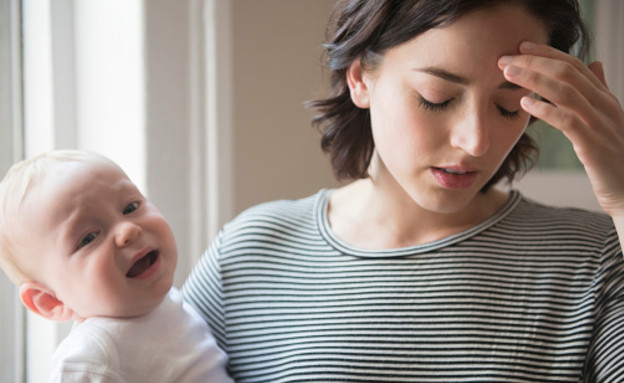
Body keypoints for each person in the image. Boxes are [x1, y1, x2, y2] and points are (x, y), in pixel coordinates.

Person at [182, 0, 624, 381]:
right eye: (436, 97)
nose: (476, 142)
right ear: (360, 78)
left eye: (509, 106)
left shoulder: (594, 257)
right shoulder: (248, 256)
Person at [0, 150, 233, 383]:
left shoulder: (164, 301)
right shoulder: (92, 358)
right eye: (89, 238)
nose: (128, 231)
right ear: (52, 301)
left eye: (130, 208)